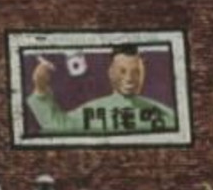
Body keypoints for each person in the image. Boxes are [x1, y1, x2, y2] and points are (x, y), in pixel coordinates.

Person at [25, 45, 177, 136]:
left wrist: (41, 89)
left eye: (136, 72)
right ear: (111, 73)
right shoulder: (95, 112)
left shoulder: (165, 115)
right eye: (122, 71)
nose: (130, 78)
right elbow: (57, 126)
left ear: (143, 72)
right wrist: (40, 87)